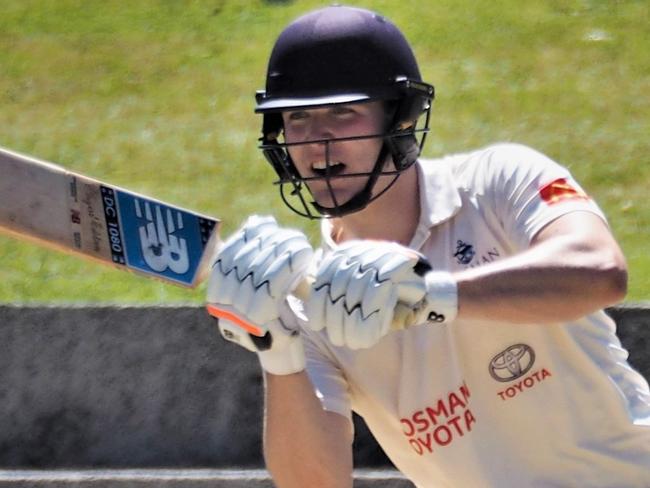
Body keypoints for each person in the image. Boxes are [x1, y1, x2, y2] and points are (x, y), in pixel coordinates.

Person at [206, 5, 650, 487]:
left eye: (343, 112)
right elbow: (316, 482)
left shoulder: (499, 181)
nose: (318, 140)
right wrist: (277, 352)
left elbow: (600, 270)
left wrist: (432, 296)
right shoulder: (311, 306)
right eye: (296, 118)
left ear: (400, 120)